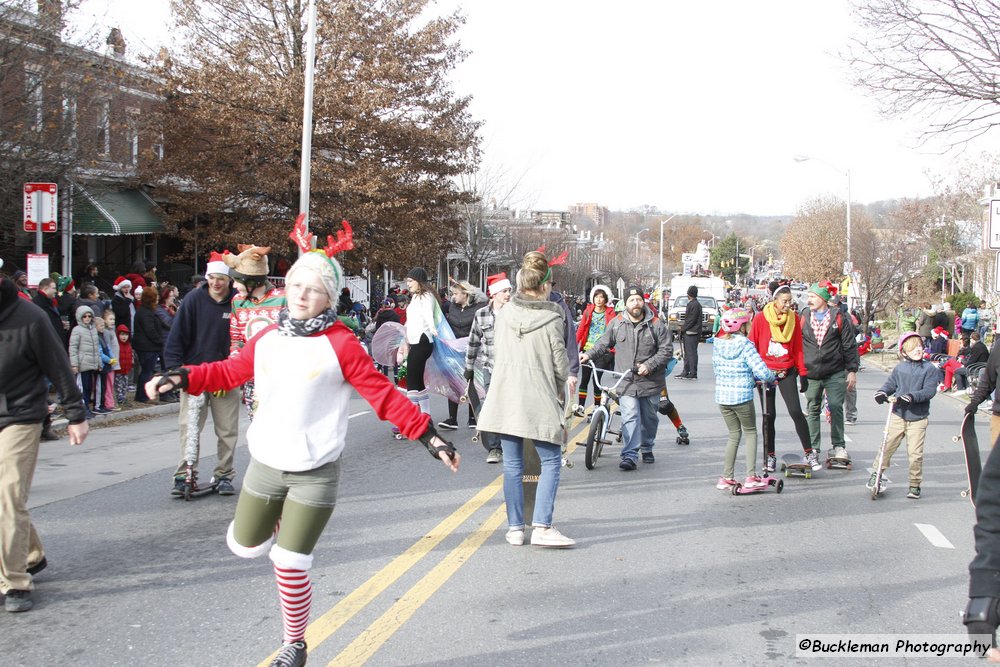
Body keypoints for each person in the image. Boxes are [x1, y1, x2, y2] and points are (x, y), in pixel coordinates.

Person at [145, 233, 459, 667]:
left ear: (327, 297)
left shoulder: (342, 343)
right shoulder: (268, 338)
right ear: (286, 287)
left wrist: (429, 435)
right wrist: (181, 377)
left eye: (313, 290)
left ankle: (294, 643)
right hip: (267, 463)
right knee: (245, 543)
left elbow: (381, 395)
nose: (302, 296)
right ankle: (274, 525)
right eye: (296, 286)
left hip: (316, 469)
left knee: (290, 561)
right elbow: (230, 371)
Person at [0, 267, 89, 612]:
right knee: (7, 500)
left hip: (20, 415)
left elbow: (58, 365)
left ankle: (16, 582)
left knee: (8, 494)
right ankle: (32, 554)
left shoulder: (30, 317)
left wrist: (76, 414)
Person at [476, 251, 573, 547]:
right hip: (538, 396)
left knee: (513, 465)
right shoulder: (551, 317)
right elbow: (559, 364)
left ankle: (515, 528)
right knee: (551, 461)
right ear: (545, 286)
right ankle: (542, 526)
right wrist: (560, 389)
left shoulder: (503, 315)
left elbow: (494, 354)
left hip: (505, 395)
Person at [164, 255, 240, 497]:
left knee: (227, 429)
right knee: (189, 426)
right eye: (212, 279)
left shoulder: (237, 303)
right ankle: (184, 473)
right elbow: (177, 335)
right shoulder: (194, 300)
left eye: (221, 279)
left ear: (229, 280)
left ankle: (224, 474)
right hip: (195, 373)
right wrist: (175, 370)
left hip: (225, 374)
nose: (216, 283)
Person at [580, 285, 672, 471]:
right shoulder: (617, 323)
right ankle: (629, 455)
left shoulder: (656, 324)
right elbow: (603, 343)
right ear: (625, 303)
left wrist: (649, 365)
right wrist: (588, 355)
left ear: (643, 302)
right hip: (626, 381)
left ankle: (647, 447)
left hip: (651, 383)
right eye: (631, 300)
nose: (635, 303)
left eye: (638, 299)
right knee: (630, 416)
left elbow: (666, 350)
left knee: (649, 419)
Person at [748, 281, 815, 472]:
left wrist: (803, 374)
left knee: (795, 411)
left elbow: (798, 349)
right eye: (784, 301)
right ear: (775, 300)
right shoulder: (761, 319)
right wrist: (753, 372)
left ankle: (809, 452)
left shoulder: (793, 318)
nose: (788, 305)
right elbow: (752, 345)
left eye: (790, 301)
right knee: (769, 415)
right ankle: (770, 456)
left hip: (787, 370)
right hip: (766, 372)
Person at [867, 332, 941, 498]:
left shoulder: (929, 369)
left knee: (915, 454)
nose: (918, 350)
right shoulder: (900, 368)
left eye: (920, 346)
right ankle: (877, 474)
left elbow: (929, 391)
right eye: (913, 348)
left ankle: (915, 484)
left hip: (918, 418)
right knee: (887, 446)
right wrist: (881, 393)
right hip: (898, 415)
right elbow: (890, 385)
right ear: (904, 352)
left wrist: (912, 397)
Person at [712, 307, 775, 490]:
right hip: (741, 396)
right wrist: (772, 378)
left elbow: (717, 370)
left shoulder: (718, 344)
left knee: (733, 435)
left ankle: (726, 476)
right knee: (750, 433)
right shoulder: (745, 344)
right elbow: (761, 370)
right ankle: (750, 476)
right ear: (743, 325)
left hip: (723, 397)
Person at [800, 282, 859, 464]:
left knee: (834, 406)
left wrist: (852, 370)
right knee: (813, 408)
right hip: (811, 372)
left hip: (834, 371)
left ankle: (839, 446)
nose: (809, 300)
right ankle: (813, 449)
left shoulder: (839, 317)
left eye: (813, 297)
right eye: (809, 296)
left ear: (823, 299)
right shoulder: (804, 316)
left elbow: (849, 344)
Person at [225, 244, 285, 420]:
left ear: (252, 281)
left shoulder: (283, 298)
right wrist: (235, 365)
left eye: (238, 280)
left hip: (282, 378)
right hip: (253, 379)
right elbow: (236, 338)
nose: (234, 285)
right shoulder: (237, 301)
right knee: (258, 428)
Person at [464, 272, 512, 463]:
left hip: (512, 369)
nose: (508, 294)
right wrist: (468, 367)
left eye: (509, 290)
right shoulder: (481, 314)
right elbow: (473, 341)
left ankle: (515, 445)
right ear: (494, 293)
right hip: (490, 367)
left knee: (511, 407)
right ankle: (494, 448)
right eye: (504, 291)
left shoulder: (514, 313)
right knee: (492, 407)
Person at [439, 280, 485, 430]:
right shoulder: (452, 306)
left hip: (472, 349)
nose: (453, 297)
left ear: (465, 294)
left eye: (456, 294)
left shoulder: (479, 307)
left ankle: (473, 417)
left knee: (471, 382)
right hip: (454, 349)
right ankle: (452, 419)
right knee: (452, 382)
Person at [403, 267, 443, 415]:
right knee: (417, 380)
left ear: (419, 281)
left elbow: (428, 314)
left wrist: (432, 329)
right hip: (416, 341)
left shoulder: (426, 296)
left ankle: (410, 419)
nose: (408, 284)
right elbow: (411, 319)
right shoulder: (415, 297)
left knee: (411, 380)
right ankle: (426, 416)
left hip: (423, 340)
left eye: (410, 281)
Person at [574, 284, 616, 417]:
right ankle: (581, 406)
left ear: (606, 299)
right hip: (587, 350)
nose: (599, 300)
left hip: (603, 352)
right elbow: (581, 330)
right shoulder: (588, 312)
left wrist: (614, 349)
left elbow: (615, 332)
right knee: (584, 379)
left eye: (601, 297)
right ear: (593, 298)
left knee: (596, 380)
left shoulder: (610, 313)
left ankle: (596, 407)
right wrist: (573, 346)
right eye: (596, 297)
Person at [132, 287, 168, 403]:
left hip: (148, 346)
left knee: (146, 371)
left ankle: (142, 396)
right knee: (146, 372)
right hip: (147, 347)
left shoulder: (146, 311)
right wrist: (160, 341)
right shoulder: (145, 313)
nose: (157, 299)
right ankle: (143, 396)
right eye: (155, 297)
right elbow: (150, 331)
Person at [68, 305, 101, 418]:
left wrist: (99, 362)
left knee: (89, 387)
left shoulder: (93, 330)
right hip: (82, 364)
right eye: (84, 316)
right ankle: (83, 408)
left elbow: (97, 348)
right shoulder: (77, 330)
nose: (87, 318)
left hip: (91, 363)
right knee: (82, 387)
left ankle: (87, 406)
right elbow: (73, 348)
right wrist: (74, 364)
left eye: (89, 316)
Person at [677, 284, 702, 379]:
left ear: (689, 294)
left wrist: (683, 328)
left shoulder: (694, 304)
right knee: (687, 352)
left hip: (692, 332)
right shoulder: (694, 304)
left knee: (691, 353)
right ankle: (686, 371)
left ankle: (692, 372)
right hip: (691, 331)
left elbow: (691, 320)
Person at [114, 324, 134, 406]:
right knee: (118, 385)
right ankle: (120, 398)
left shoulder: (128, 345)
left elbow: (130, 356)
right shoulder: (117, 345)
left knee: (125, 385)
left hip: (126, 369)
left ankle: (123, 397)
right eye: (122, 334)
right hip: (119, 370)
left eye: (126, 335)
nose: (124, 337)